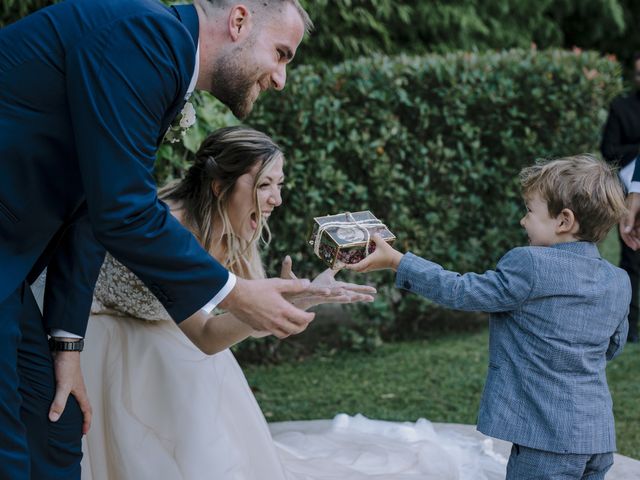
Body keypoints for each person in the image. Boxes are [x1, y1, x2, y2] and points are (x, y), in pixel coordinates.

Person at [79, 126, 506, 480]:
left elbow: (236, 321)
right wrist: (274, 304)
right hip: (93, 329)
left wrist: (297, 298)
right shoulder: (169, 230)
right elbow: (208, 336)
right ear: (218, 185)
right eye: (264, 185)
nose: (276, 199)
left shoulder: (234, 228)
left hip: (164, 332)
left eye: (279, 185)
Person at [0, 1, 314, 478]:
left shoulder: (161, 59)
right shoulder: (146, 38)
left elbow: (92, 213)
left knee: (56, 429)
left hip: (12, 265)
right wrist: (233, 290)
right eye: (281, 54)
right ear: (239, 21)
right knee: (11, 446)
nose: (280, 78)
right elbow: (124, 209)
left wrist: (66, 348)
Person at [349, 155, 630, 480]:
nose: (523, 221)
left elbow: (462, 291)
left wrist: (399, 262)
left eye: (529, 211)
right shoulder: (618, 280)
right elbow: (612, 346)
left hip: (545, 437)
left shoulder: (531, 265)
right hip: (596, 437)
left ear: (563, 221)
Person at [602, 52, 640, 342]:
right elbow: (609, 149)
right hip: (631, 186)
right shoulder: (621, 107)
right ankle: (631, 323)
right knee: (632, 257)